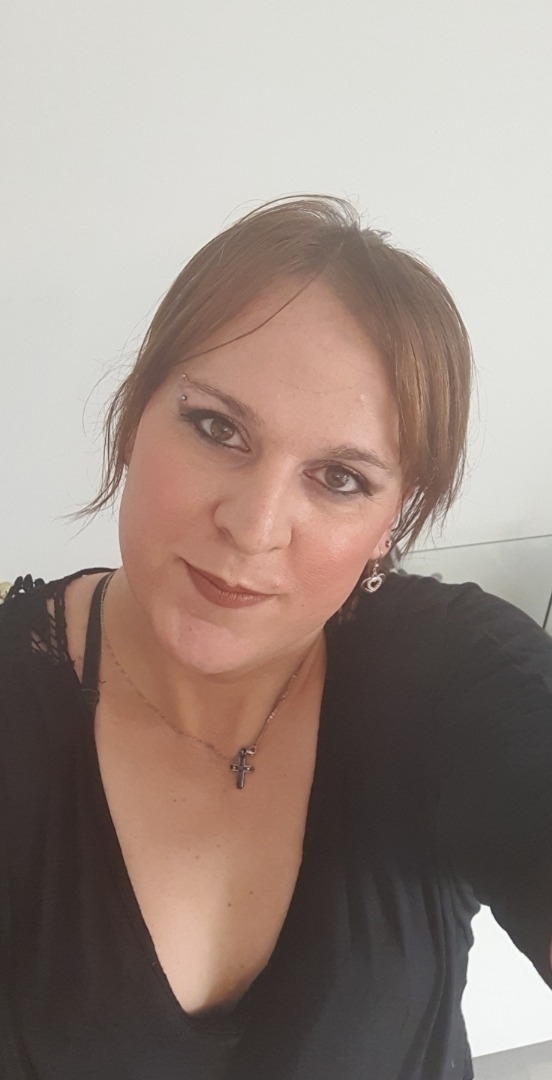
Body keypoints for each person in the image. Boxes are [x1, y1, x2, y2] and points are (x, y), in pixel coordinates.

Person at [1, 195, 551, 1080]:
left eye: (339, 477)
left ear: (391, 521)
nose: (254, 529)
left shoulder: (451, 674)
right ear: (135, 414)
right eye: (218, 428)